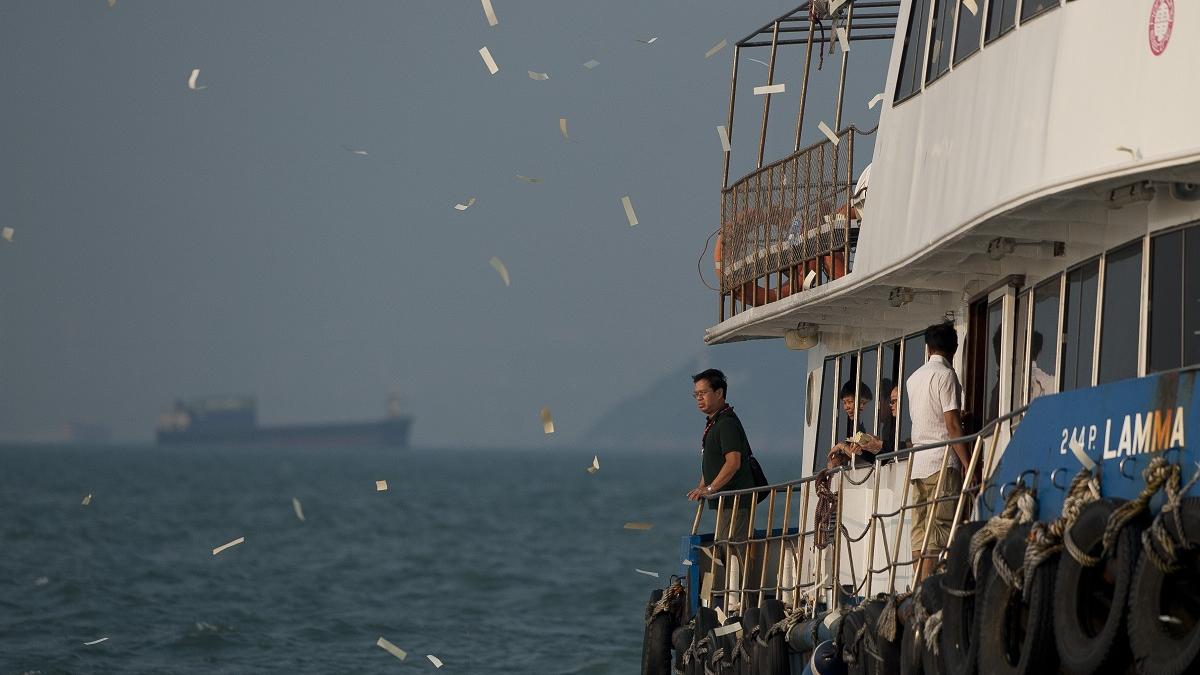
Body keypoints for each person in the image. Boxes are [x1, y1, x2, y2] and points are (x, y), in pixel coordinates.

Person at [686, 368, 760, 606]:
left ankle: (744, 602)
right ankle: (735, 599)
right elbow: (714, 462)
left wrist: (710, 489)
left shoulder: (726, 423)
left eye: (704, 392)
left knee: (733, 548)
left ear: (719, 393)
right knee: (726, 547)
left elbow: (733, 462)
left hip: (736, 501)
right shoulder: (715, 422)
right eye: (696, 394)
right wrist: (702, 487)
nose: (699, 398)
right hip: (726, 501)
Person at [905, 322, 970, 582]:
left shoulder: (913, 379)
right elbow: (952, 425)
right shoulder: (947, 376)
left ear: (927, 348)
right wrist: (968, 463)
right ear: (953, 349)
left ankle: (917, 587)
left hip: (918, 463)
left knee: (919, 531)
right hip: (941, 463)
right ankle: (926, 591)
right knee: (939, 528)